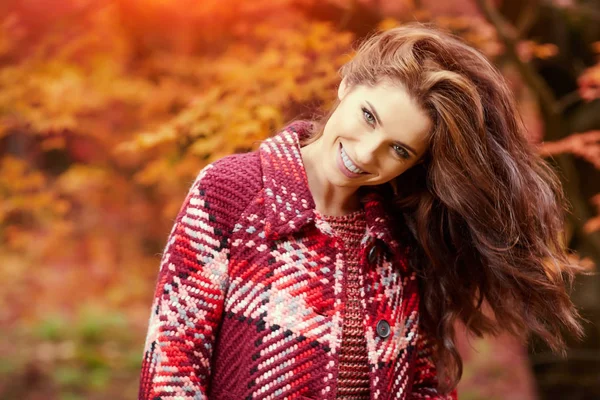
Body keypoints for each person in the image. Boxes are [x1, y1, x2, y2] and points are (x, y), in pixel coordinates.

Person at [138, 23, 584, 400]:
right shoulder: (231, 194)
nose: (368, 154)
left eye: (399, 149)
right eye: (369, 117)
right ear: (346, 85)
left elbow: (427, 381)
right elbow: (172, 369)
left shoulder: (402, 232)